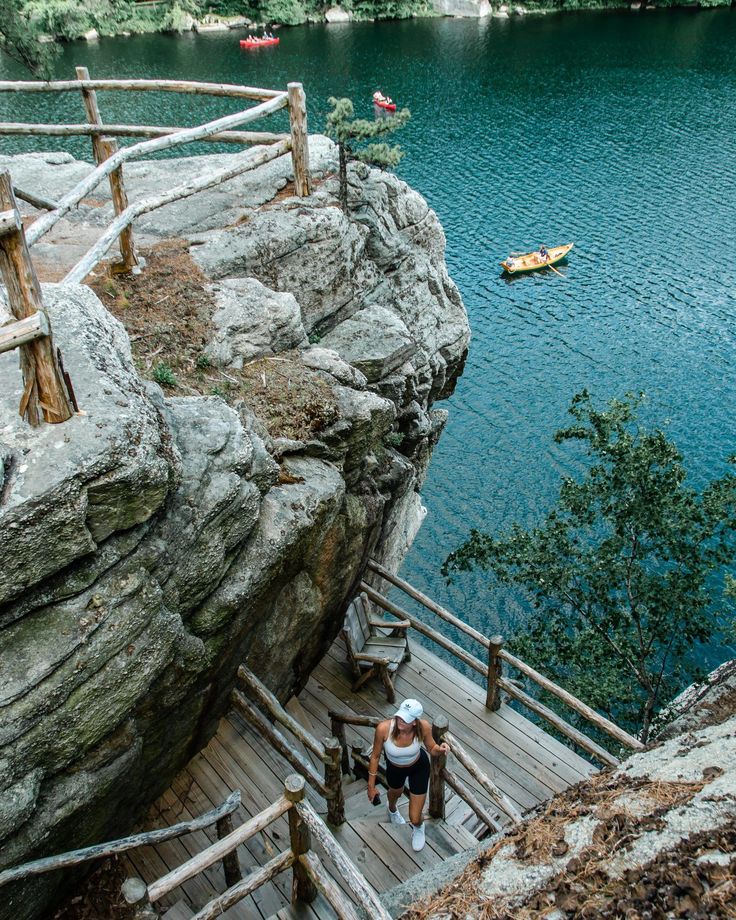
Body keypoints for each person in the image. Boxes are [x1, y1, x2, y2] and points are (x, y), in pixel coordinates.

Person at [366, 699, 450, 852]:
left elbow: (431, 748)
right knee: (395, 793)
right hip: (395, 768)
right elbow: (375, 756)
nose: (400, 721)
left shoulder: (423, 726)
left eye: (406, 719)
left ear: (414, 722)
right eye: (399, 716)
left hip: (418, 767)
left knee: (415, 817)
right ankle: (391, 809)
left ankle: (418, 827)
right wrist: (370, 786)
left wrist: (441, 749)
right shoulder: (383, 729)